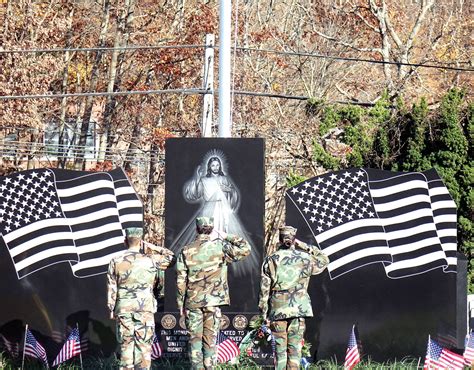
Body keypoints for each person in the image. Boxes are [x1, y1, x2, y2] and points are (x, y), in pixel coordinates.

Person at [176, 216, 251, 369]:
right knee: (210, 341)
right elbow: (245, 248)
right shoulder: (220, 247)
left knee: (195, 341)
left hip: (193, 302)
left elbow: (180, 281)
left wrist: (180, 304)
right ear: (211, 230)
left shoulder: (186, 251)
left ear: (196, 229)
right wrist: (225, 235)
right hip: (213, 302)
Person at [258, 225, 329, 370]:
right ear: (293, 239)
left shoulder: (271, 259)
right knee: (295, 349)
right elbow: (323, 259)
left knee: (280, 351)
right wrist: (302, 245)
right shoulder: (305, 258)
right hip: (298, 308)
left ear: (280, 239)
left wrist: (264, 313)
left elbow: (264, 290)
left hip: (278, 309)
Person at [107, 227, 174, 370]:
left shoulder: (115, 261)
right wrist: (152, 246)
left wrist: (111, 308)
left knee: (126, 346)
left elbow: (112, 287)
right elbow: (171, 257)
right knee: (144, 348)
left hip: (124, 308)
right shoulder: (151, 259)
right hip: (144, 308)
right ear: (141, 242)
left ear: (125, 241)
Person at [184, 156, 239, 232]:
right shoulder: (204, 180)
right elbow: (194, 194)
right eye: (213, 165)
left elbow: (234, 193)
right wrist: (197, 178)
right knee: (207, 235)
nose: (215, 167)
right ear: (209, 166)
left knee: (220, 233)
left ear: (220, 166)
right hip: (208, 209)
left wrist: (228, 190)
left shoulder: (225, 179)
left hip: (221, 210)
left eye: (217, 165)